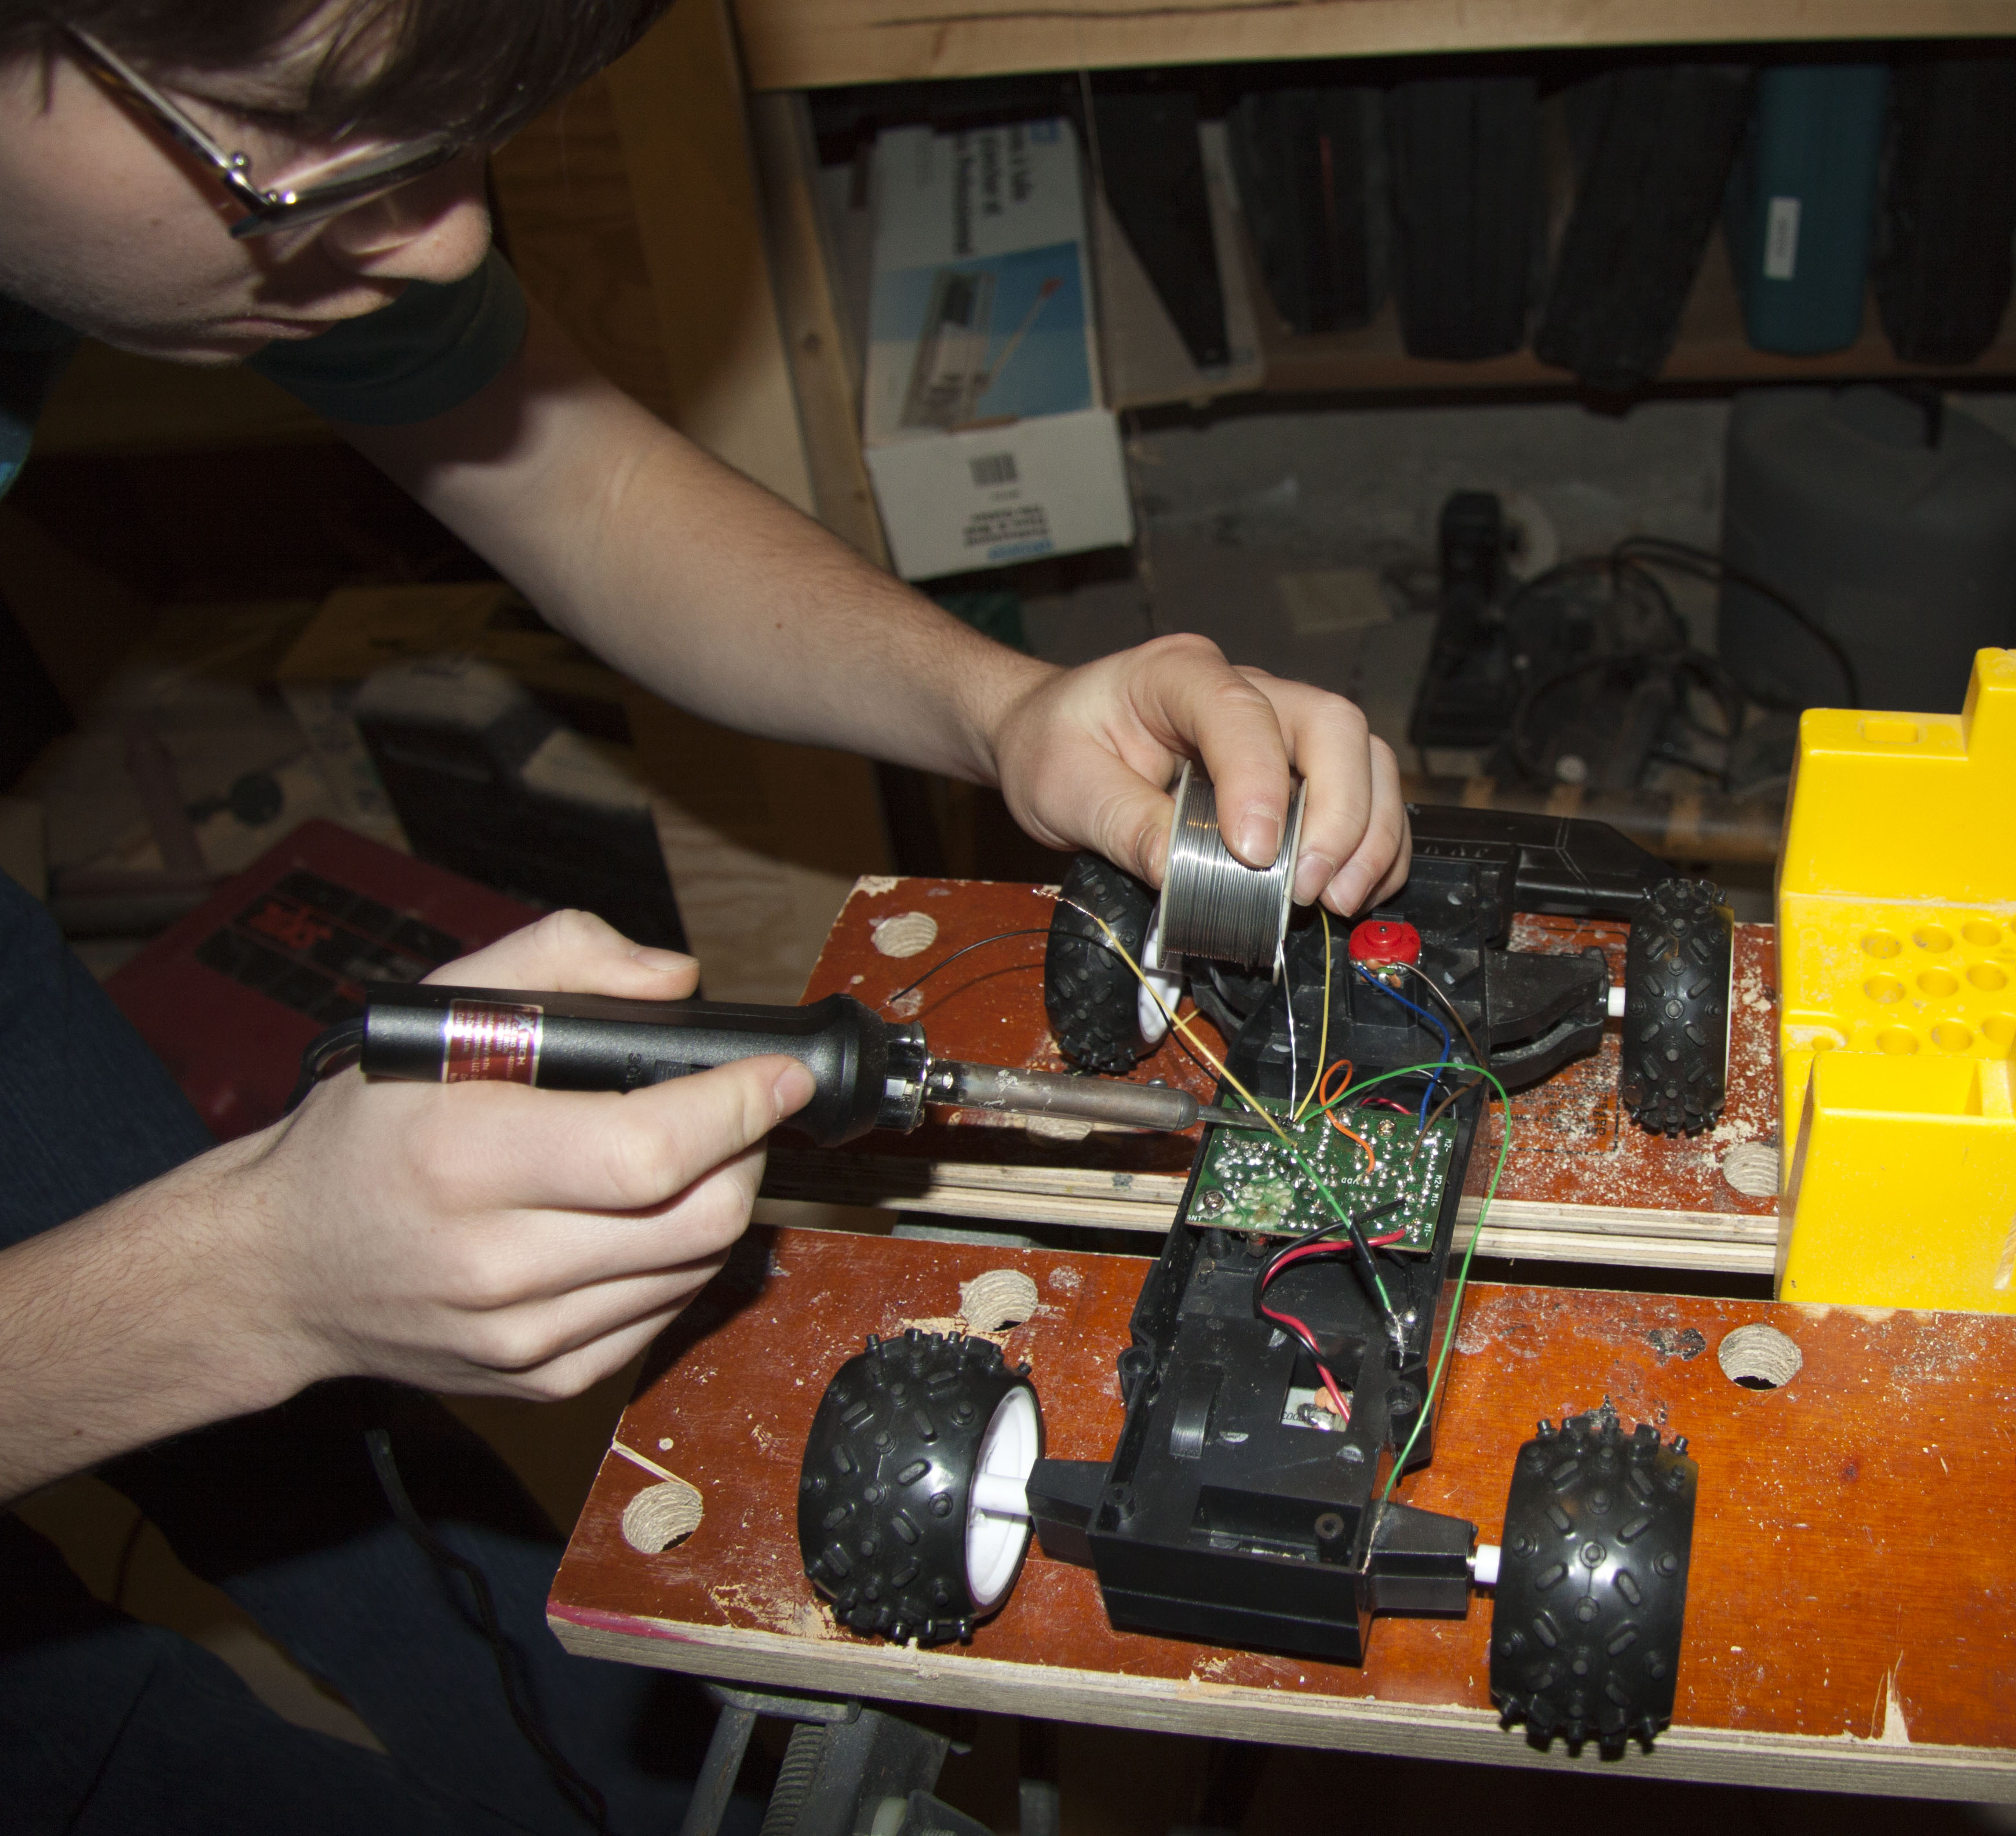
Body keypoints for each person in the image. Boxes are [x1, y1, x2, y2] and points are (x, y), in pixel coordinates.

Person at [0, 2, 1408, 1829]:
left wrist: (1006, 708)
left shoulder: (288, 183)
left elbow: (565, 471)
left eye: (459, 148)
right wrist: (234, 1290)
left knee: (333, 1477)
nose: (446, 237)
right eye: (307, 156)